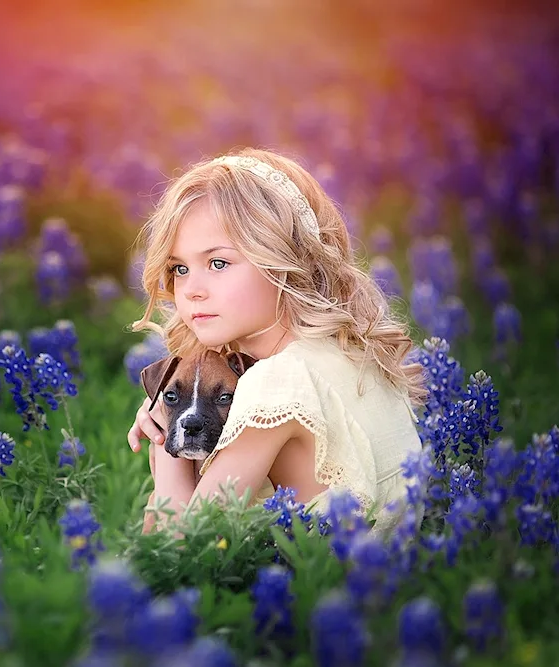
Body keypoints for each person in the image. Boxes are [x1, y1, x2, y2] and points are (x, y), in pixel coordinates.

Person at [125, 147, 427, 533]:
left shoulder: (276, 385)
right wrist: (182, 403)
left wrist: (167, 439)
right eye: (179, 268)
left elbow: (182, 546)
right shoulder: (349, 353)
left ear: (283, 262)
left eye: (218, 263)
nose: (191, 290)